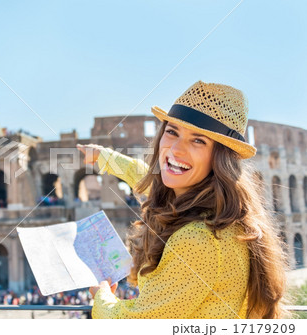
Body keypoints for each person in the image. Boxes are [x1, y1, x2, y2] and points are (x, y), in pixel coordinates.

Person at [76, 81, 288, 319]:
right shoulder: (218, 209)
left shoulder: (198, 239)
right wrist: (103, 156)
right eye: (172, 131)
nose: (176, 149)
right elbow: (147, 178)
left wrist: (101, 296)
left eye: (198, 140)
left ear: (220, 157)